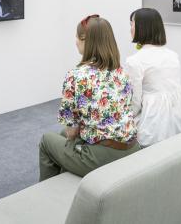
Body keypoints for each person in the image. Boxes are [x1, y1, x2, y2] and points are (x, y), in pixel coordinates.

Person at [38, 15, 139, 182]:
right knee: (62, 134)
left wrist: (81, 118)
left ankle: (47, 195)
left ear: (85, 40)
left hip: (103, 157)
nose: (75, 41)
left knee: (47, 141)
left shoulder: (76, 76)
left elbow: (72, 133)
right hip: (131, 147)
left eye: (77, 37)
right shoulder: (122, 73)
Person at [125, 8, 181, 147]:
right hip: (178, 121)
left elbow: (134, 102)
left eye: (132, 24)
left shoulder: (135, 61)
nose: (130, 28)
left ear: (142, 27)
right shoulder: (173, 56)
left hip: (152, 125)